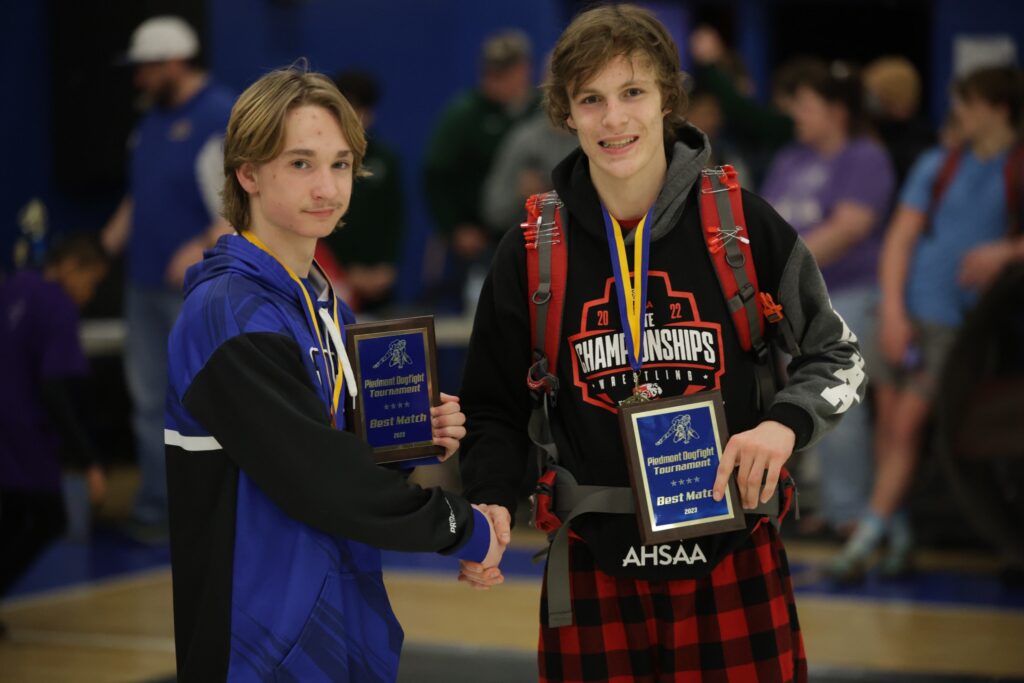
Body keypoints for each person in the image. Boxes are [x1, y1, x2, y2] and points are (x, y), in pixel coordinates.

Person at [458, 6, 864, 681]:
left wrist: (784, 424)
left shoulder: (740, 225)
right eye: (591, 99)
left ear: (669, 99)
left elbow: (839, 353)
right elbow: (492, 406)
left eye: (633, 93)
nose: (614, 119)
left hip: (734, 555)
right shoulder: (532, 249)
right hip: (593, 558)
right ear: (565, 112)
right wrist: (492, 497)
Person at [164, 66, 511, 682]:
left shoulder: (326, 305)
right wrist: (462, 530)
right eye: (300, 163)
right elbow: (319, 478)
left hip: (341, 619)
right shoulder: (228, 315)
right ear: (247, 173)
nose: (327, 186)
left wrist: (407, 437)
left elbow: (338, 453)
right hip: (259, 645)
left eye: (341, 164)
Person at [830, 65, 1024, 580]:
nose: (959, 111)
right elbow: (900, 240)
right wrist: (893, 311)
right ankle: (899, 538)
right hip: (904, 312)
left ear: (999, 109)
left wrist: (1007, 250)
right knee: (889, 428)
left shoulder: (1017, 166)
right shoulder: (939, 164)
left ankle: (866, 539)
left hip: (954, 325)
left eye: (969, 101)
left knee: (907, 426)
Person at [100, 16, 235, 540]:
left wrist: (201, 242)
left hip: (195, 287)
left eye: (147, 68)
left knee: (199, 397)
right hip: (141, 285)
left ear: (173, 62)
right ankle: (157, 508)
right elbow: (139, 199)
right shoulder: (150, 122)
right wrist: (97, 251)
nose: (139, 79)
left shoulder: (220, 115)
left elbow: (242, 198)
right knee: (147, 398)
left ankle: (205, 511)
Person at [760, 62, 895, 537]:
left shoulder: (864, 156)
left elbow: (851, 226)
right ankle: (816, 506)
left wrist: (778, 266)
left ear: (837, 111)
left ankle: (852, 514)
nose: (796, 112)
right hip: (787, 304)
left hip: (848, 293)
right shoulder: (790, 159)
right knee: (795, 400)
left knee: (840, 398)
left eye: (807, 104)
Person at [0, 233, 109, 614]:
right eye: (90, 282)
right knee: (48, 516)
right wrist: (87, 460)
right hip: (24, 430)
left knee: (16, 513)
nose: (89, 294)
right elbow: (57, 391)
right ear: (70, 267)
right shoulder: (59, 307)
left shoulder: (17, 284)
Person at [422, 29, 537, 309]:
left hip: (536, 234)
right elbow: (435, 174)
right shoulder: (464, 114)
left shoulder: (541, 110)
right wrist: (455, 228)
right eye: (493, 73)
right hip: (482, 240)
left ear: (524, 71)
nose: (497, 81)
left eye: (507, 72)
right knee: (486, 311)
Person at [321, 70, 405, 314]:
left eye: (362, 110)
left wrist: (386, 267)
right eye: (349, 110)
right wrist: (344, 270)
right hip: (332, 277)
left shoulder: (385, 159)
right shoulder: (321, 161)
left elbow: (394, 217)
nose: (356, 118)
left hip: (379, 280)